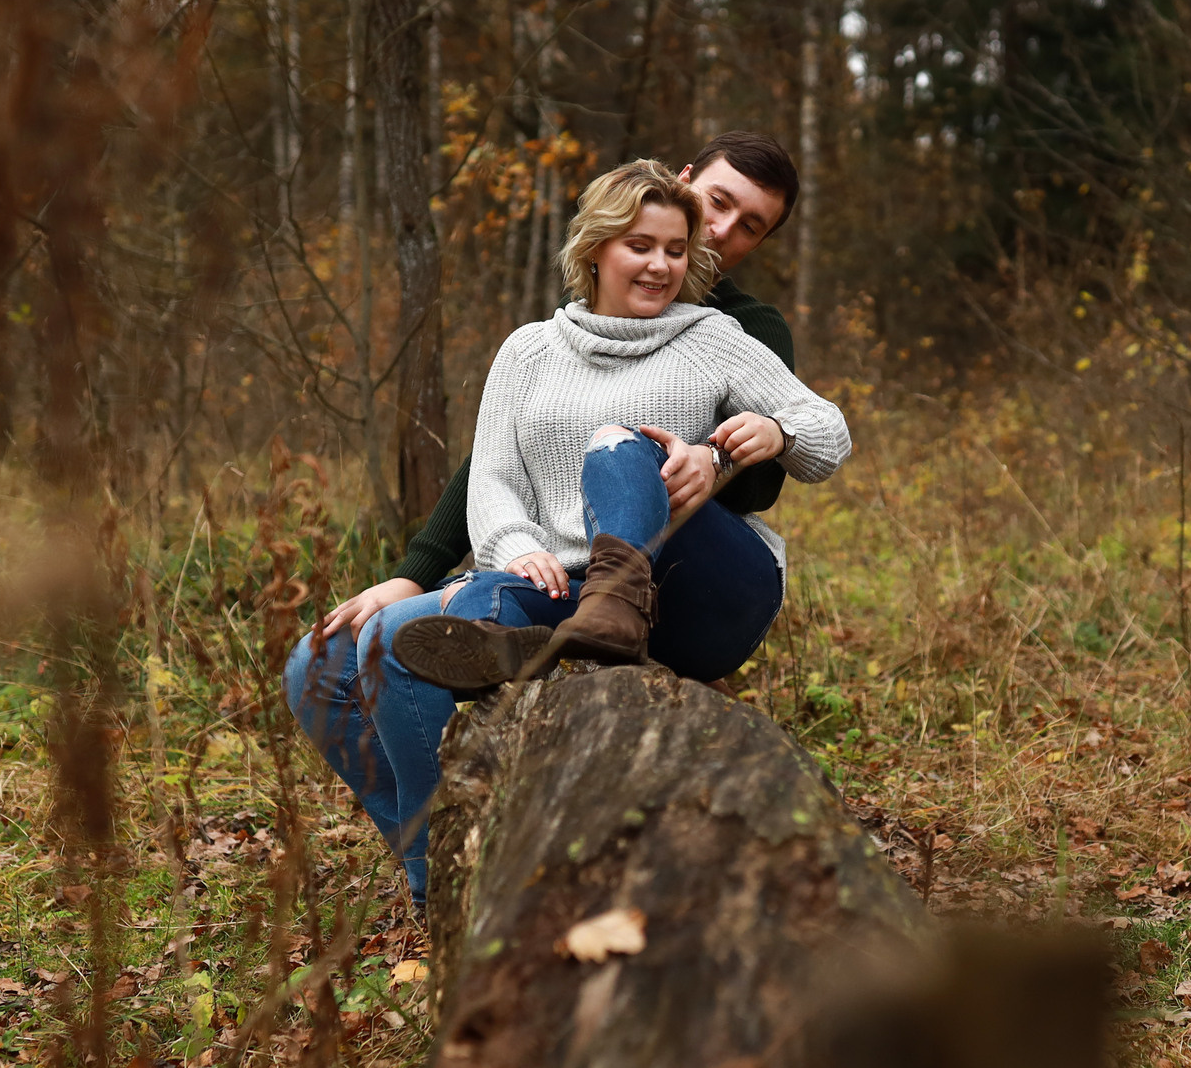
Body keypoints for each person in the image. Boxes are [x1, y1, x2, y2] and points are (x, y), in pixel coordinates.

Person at [283, 152, 842, 905]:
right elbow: (492, 478)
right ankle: (445, 872)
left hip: (690, 573)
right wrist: (508, 553)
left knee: (618, 441)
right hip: (568, 576)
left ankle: (605, 616)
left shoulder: (725, 332)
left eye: (677, 250)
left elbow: (820, 431)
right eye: (643, 245)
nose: (667, 260)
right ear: (596, 247)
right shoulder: (530, 350)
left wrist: (756, 437)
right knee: (345, 654)